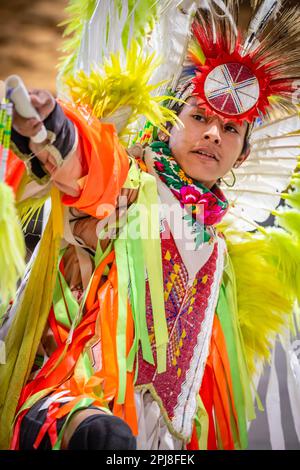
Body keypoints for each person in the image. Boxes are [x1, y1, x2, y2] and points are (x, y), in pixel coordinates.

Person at [0, 0, 299, 450]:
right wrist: (55, 130)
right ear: (167, 123)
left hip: (163, 436)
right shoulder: (131, 184)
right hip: (76, 406)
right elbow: (88, 165)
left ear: (243, 155)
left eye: (231, 129)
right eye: (199, 117)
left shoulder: (222, 255)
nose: (214, 134)